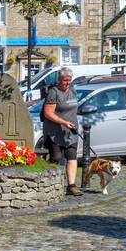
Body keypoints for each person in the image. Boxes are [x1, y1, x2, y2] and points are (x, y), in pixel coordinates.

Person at [42, 67, 83, 197]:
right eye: (65, 80)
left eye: (69, 80)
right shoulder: (53, 92)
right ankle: (47, 180)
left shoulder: (72, 90)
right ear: (59, 80)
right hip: (55, 131)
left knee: (72, 156)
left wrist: (71, 124)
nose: (67, 83)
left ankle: (71, 186)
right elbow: (48, 113)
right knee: (56, 158)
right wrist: (63, 122)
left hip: (70, 131)